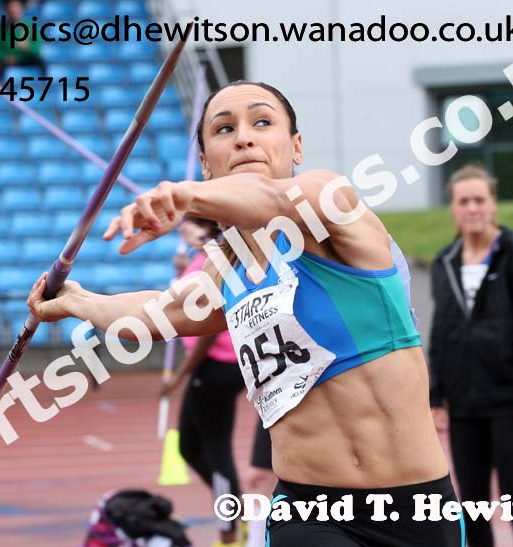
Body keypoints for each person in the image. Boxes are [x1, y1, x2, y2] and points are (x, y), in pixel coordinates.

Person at [28, 81, 462, 547]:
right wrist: (78, 301)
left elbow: (274, 201)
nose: (243, 138)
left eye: (262, 122)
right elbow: (162, 311)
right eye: (223, 129)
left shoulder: (329, 202)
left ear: (295, 146)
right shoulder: (229, 268)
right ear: (206, 161)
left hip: (417, 509)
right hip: (309, 511)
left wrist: (185, 197)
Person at [428, 164, 513, 547]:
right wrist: (436, 396)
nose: (472, 209)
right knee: (472, 508)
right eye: (464, 201)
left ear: (493, 203)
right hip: (464, 406)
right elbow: (442, 333)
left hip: (510, 403)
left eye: (479, 200)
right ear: (452, 207)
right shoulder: (445, 261)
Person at [160, 217, 246, 547]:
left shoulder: (213, 260)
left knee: (216, 448)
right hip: (212, 368)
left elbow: (209, 331)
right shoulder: (203, 259)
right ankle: (233, 509)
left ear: (208, 228)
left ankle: (229, 529)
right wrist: (183, 268)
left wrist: (181, 376)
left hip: (215, 367)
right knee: (189, 448)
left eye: (191, 223)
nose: (183, 227)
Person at [0, 0, 44, 72]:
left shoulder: (31, 27)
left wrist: (27, 47)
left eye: (17, 9)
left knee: (40, 62)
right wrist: (5, 57)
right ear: (6, 11)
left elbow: (37, 50)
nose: (14, 11)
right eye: (11, 10)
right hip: (7, 62)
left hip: (26, 59)